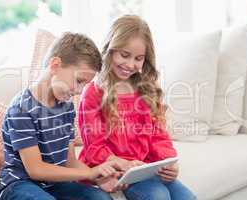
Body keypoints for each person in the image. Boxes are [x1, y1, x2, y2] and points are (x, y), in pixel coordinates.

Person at [78, 15, 197, 200]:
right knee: (157, 196)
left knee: (187, 197)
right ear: (110, 50)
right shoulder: (93, 92)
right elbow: (94, 147)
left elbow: (159, 136)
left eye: (138, 58)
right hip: (111, 169)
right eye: (124, 55)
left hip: (144, 167)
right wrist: (123, 164)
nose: (130, 64)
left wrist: (169, 163)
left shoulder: (146, 89)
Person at [0, 32, 118, 200]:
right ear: (55, 65)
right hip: (20, 184)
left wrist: (98, 178)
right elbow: (35, 170)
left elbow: (70, 162)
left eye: (85, 84)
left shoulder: (66, 107)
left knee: (100, 198)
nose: (80, 91)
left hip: (54, 184)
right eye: (79, 81)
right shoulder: (21, 109)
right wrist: (90, 172)